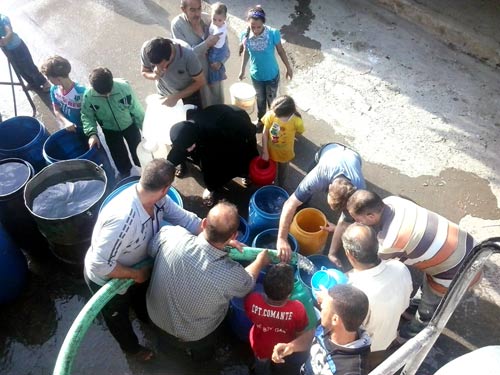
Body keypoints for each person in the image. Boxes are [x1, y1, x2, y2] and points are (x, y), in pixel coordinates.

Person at [84, 159, 202, 361]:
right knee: (118, 319)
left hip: (138, 266)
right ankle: (132, 349)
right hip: (108, 277)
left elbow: (185, 219)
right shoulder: (123, 218)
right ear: (166, 188)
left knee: (141, 296)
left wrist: (214, 233)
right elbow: (100, 264)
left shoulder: (157, 199)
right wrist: (135, 274)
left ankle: (144, 317)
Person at [346, 190, 479, 340]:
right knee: (428, 280)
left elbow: (371, 265)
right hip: (469, 246)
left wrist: (347, 278)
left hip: (458, 270)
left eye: (358, 220)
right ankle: (412, 306)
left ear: (371, 216)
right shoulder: (394, 201)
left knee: (429, 306)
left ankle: (410, 335)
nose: (357, 223)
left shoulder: (390, 241)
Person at [146, 201, 270, 361]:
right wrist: (260, 261)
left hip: (156, 319)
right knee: (203, 354)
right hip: (196, 336)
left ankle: (168, 356)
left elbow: (151, 249)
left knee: (167, 349)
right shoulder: (231, 273)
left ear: (204, 223)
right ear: (234, 236)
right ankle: (200, 362)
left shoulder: (172, 236)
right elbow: (248, 283)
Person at [276, 142, 365, 263]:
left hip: (354, 157)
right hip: (330, 150)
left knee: (348, 219)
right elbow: (289, 204)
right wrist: (281, 238)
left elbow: (344, 222)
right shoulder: (317, 177)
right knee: (302, 192)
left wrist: (332, 254)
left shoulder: (359, 192)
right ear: (328, 187)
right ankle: (304, 201)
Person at [167, 105, 259, 206]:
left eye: (189, 146)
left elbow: (248, 130)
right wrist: (166, 168)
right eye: (185, 148)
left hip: (237, 132)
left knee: (240, 161)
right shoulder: (187, 134)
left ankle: (246, 174)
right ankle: (212, 187)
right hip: (209, 142)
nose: (188, 150)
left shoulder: (218, 127)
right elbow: (177, 153)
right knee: (210, 168)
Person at [343, 223, 412, 354]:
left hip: (366, 345)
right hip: (389, 333)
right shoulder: (400, 268)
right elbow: (404, 305)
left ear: (349, 255)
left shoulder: (354, 293)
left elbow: (350, 328)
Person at [272, 284, 371, 375]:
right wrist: (292, 346)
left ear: (335, 319)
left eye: (323, 307)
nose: (320, 307)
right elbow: (314, 334)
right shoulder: (330, 325)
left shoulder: (351, 370)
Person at [244, 263, 309, 374]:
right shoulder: (297, 308)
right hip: (283, 348)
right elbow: (300, 332)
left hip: (259, 344)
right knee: (280, 363)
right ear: (289, 294)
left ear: (264, 289)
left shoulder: (252, 299)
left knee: (261, 365)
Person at [81, 67, 144, 179]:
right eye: (102, 94)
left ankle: (142, 166)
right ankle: (125, 171)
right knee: (118, 153)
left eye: (109, 92)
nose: (106, 96)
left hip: (129, 124)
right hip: (109, 129)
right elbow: (87, 115)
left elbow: (136, 108)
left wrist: (144, 127)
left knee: (137, 148)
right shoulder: (88, 96)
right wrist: (92, 133)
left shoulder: (124, 87)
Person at [238, 6, 293, 131]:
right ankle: (261, 121)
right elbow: (246, 52)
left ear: (264, 23)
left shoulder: (273, 33)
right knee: (260, 100)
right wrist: (242, 70)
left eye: (259, 27)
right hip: (256, 76)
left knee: (272, 101)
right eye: (252, 26)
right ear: (248, 23)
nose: (256, 30)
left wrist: (288, 68)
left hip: (272, 76)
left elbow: (281, 51)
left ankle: (274, 122)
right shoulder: (244, 36)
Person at [171, 0, 228, 107]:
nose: (197, 14)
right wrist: (206, 44)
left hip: (215, 77)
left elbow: (226, 50)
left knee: (219, 107)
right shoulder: (177, 26)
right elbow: (184, 56)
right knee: (204, 111)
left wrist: (220, 63)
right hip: (198, 81)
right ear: (183, 9)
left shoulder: (210, 19)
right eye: (192, 10)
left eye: (199, 8)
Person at [140, 36, 205, 108]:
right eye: (154, 65)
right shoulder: (146, 50)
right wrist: (154, 76)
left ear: (171, 56)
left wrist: (175, 97)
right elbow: (144, 72)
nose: (158, 68)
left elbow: (200, 82)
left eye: (161, 65)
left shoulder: (188, 56)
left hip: (188, 96)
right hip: (164, 95)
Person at [261, 95, 304, 187]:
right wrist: (265, 152)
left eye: (278, 115)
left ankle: (281, 185)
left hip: (285, 153)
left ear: (290, 113)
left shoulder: (297, 121)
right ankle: (271, 181)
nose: (275, 115)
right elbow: (265, 133)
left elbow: (299, 132)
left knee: (283, 172)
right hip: (270, 151)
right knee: (271, 169)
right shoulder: (271, 114)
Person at [0, 13, 50, 92]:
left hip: (17, 47)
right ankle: (31, 83)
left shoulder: (3, 19)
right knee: (19, 69)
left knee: (29, 67)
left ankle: (44, 82)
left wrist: (5, 40)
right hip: (7, 50)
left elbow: (9, 32)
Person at [40, 55, 86, 132]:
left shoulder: (81, 92)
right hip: (67, 126)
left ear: (58, 79)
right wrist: (66, 122)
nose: (47, 80)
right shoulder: (54, 90)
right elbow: (56, 110)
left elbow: (91, 114)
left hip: (85, 129)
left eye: (48, 78)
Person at [207, 2, 229, 85]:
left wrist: (207, 47)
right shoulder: (221, 24)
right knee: (217, 62)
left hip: (217, 48)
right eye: (214, 19)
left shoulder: (219, 31)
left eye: (219, 20)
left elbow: (211, 43)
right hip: (220, 45)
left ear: (224, 18)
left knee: (212, 62)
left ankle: (215, 79)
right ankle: (222, 73)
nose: (216, 22)